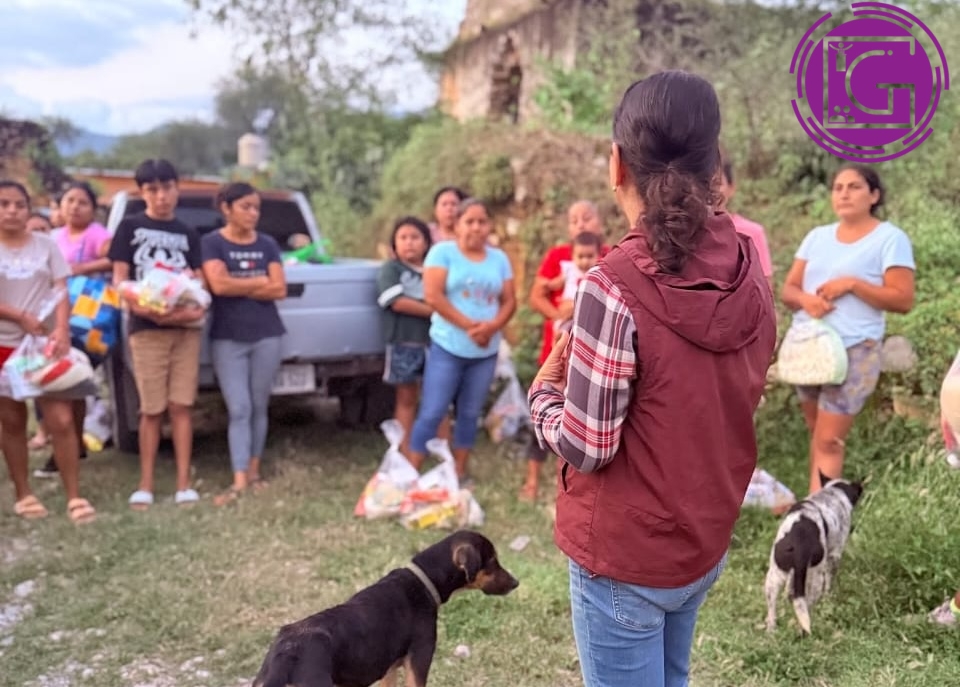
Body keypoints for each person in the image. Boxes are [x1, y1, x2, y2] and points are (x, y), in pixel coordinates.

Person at [528, 70, 776, 687]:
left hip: (626, 557)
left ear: (617, 164)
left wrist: (543, 397)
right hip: (702, 540)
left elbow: (588, 446)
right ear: (713, 163)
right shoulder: (749, 268)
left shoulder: (611, 287)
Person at [780, 164, 915, 495]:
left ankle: (819, 513)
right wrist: (807, 300)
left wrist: (853, 284)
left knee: (829, 440)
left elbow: (903, 299)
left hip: (855, 349)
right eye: (838, 187)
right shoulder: (817, 237)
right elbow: (789, 290)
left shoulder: (889, 239)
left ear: (874, 195)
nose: (844, 194)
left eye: (854, 187)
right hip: (809, 348)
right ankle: (820, 499)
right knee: (818, 431)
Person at [108, 159, 205, 510]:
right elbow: (120, 282)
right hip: (146, 330)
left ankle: (183, 484)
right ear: (142, 192)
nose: (161, 196)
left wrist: (191, 309)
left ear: (177, 189)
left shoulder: (189, 232)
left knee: (182, 406)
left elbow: (199, 282)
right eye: (152, 190)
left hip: (186, 331)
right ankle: (145, 485)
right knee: (151, 408)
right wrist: (148, 309)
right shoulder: (129, 228)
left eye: (166, 188)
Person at [0, 180, 97, 524]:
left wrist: (62, 329)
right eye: (4, 204)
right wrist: (19, 316)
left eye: (19, 204)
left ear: (29, 209)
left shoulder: (46, 246)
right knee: (12, 421)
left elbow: (61, 289)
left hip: (44, 345)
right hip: (4, 345)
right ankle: (24, 493)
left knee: (61, 419)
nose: (12, 211)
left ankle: (74, 495)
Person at [406, 199, 516, 484]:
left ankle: (459, 473)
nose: (476, 228)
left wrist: (491, 327)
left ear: (489, 226)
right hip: (448, 347)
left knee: (469, 414)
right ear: (456, 225)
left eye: (482, 222)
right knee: (433, 411)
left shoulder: (499, 259)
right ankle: (410, 473)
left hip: (485, 351)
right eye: (469, 222)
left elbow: (509, 301)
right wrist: (470, 326)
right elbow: (433, 296)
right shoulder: (442, 253)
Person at [201, 183, 287, 505]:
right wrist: (259, 281)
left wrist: (238, 283)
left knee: (259, 405)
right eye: (246, 207)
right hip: (228, 337)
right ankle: (239, 478)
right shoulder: (212, 243)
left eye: (256, 208)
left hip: (267, 334)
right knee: (239, 408)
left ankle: (254, 472)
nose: (253, 213)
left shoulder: (267, 244)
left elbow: (279, 289)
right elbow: (218, 286)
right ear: (226, 208)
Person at [521, 199, 607, 502]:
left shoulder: (610, 255)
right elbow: (536, 296)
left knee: (585, 417)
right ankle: (531, 481)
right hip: (556, 352)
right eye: (574, 220)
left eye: (587, 217)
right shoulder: (558, 256)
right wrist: (560, 314)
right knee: (544, 407)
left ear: (600, 222)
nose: (581, 224)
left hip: (594, 356)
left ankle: (577, 486)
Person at [34, 181, 112, 478]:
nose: (75, 207)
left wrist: (81, 269)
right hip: (54, 318)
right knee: (65, 384)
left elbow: (114, 258)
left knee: (69, 382)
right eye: (70, 201)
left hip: (87, 323)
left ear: (93, 209)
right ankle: (71, 444)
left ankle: (63, 450)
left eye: (82, 202)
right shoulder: (54, 237)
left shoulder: (97, 234)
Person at [376, 216, 447, 457]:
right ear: (394, 245)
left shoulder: (436, 270)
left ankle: (442, 453)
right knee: (406, 399)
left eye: (415, 237)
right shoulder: (391, 269)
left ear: (426, 243)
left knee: (438, 400)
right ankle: (404, 452)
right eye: (403, 238)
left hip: (438, 345)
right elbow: (396, 302)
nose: (409, 243)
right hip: (404, 344)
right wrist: (438, 311)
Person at [717, 156, 774, 293]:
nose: (710, 190)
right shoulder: (685, 235)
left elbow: (765, 291)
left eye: (717, 183)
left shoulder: (752, 232)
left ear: (731, 188)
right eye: (704, 183)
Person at [550, 231, 603, 334]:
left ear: (598, 255)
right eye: (580, 256)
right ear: (572, 255)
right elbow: (557, 283)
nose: (585, 261)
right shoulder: (569, 269)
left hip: (587, 313)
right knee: (561, 332)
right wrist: (550, 284)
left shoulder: (598, 272)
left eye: (590, 256)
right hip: (568, 313)